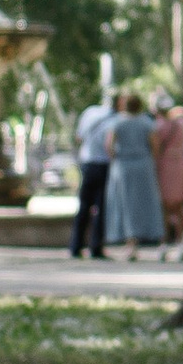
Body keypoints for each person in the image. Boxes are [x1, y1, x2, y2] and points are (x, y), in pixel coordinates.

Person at [105, 91, 164, 256]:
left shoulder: (117, 122)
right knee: (147, 201)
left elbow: (109, 145)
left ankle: (131, 241)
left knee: (126, 202)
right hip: (143, 165)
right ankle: (156, 237)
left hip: (123, 166)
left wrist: (116, 159)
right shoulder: (146, 122)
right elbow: (155, 145)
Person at [70, 93, 114, 259]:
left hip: (87, 163)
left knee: (84, 207)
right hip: (103, 164)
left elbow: (78, 137)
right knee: (101, 207)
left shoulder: (89, 113)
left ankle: (76, 245)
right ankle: (96, 246)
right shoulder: (114, 119)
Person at [151, 95, 183, 246]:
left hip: (165, 165)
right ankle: (180, 242)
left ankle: (165, 240)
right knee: (179, 205)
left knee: (165, 205)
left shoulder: (158, 126)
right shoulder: (180, 125)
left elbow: (156, 148)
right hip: (180, 164)